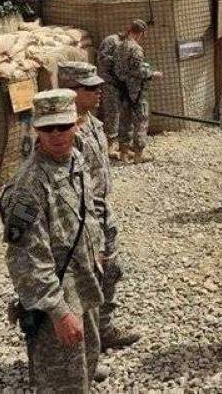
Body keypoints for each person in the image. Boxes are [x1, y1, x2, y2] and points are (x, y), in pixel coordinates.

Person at [0, 89, 105, 392]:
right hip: (57, 294)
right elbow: (26, 258)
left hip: (84, 282)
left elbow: (87, 210)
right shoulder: (29, 184)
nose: (56, 134)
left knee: (85, 361)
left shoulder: (75, 158)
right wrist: (59, 313)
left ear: (76, 124)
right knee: (62, 379)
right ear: (37, 129)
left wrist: (97, 248)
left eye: (63, 126)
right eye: (48, 128)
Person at [57, 63, 140, 360]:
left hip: (102, 210)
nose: (99, 92)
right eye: (91, 88)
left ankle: (102, 330)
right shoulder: (65, 131)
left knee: (110, 271)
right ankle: (84, 344)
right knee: (84, 277)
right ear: (72, 91)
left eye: (98, 86)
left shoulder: (92, 122)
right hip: (83, 216)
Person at [111, 20, 163, 163]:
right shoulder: (136, 49)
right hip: (136, 91)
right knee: (141, 121)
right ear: (141, 33)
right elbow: (137, 70)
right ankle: (139, 155)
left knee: (124, 121)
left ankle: (123, 153)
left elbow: (117, 69)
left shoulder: (119, 46)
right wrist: (152, 74)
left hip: (122, 89)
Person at [96, 29, 125, 159]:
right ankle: (111, 144)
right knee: (112, 111)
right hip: (109, 83)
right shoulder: (111, 40)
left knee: (120, 112)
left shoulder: (123, 44)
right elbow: (103, 59)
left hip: (118, 83)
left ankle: (119, 143)